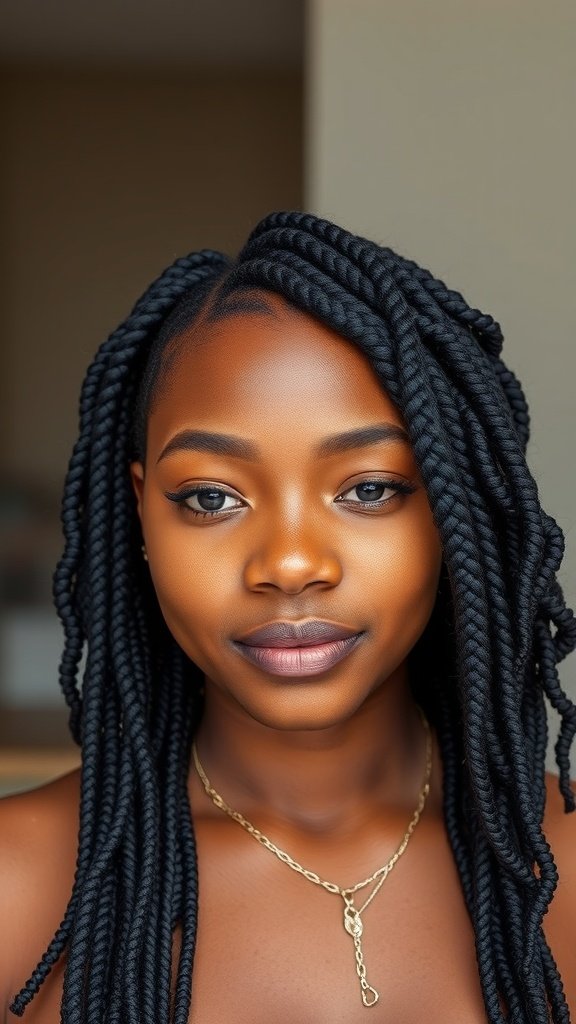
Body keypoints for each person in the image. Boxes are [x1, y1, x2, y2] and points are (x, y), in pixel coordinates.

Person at [0, 211, 574, 1024]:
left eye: (368, 489)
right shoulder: (16, 887)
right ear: (140, 519)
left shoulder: (566, 868)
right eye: (211, 497)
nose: (291, 564)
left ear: (455, 513)